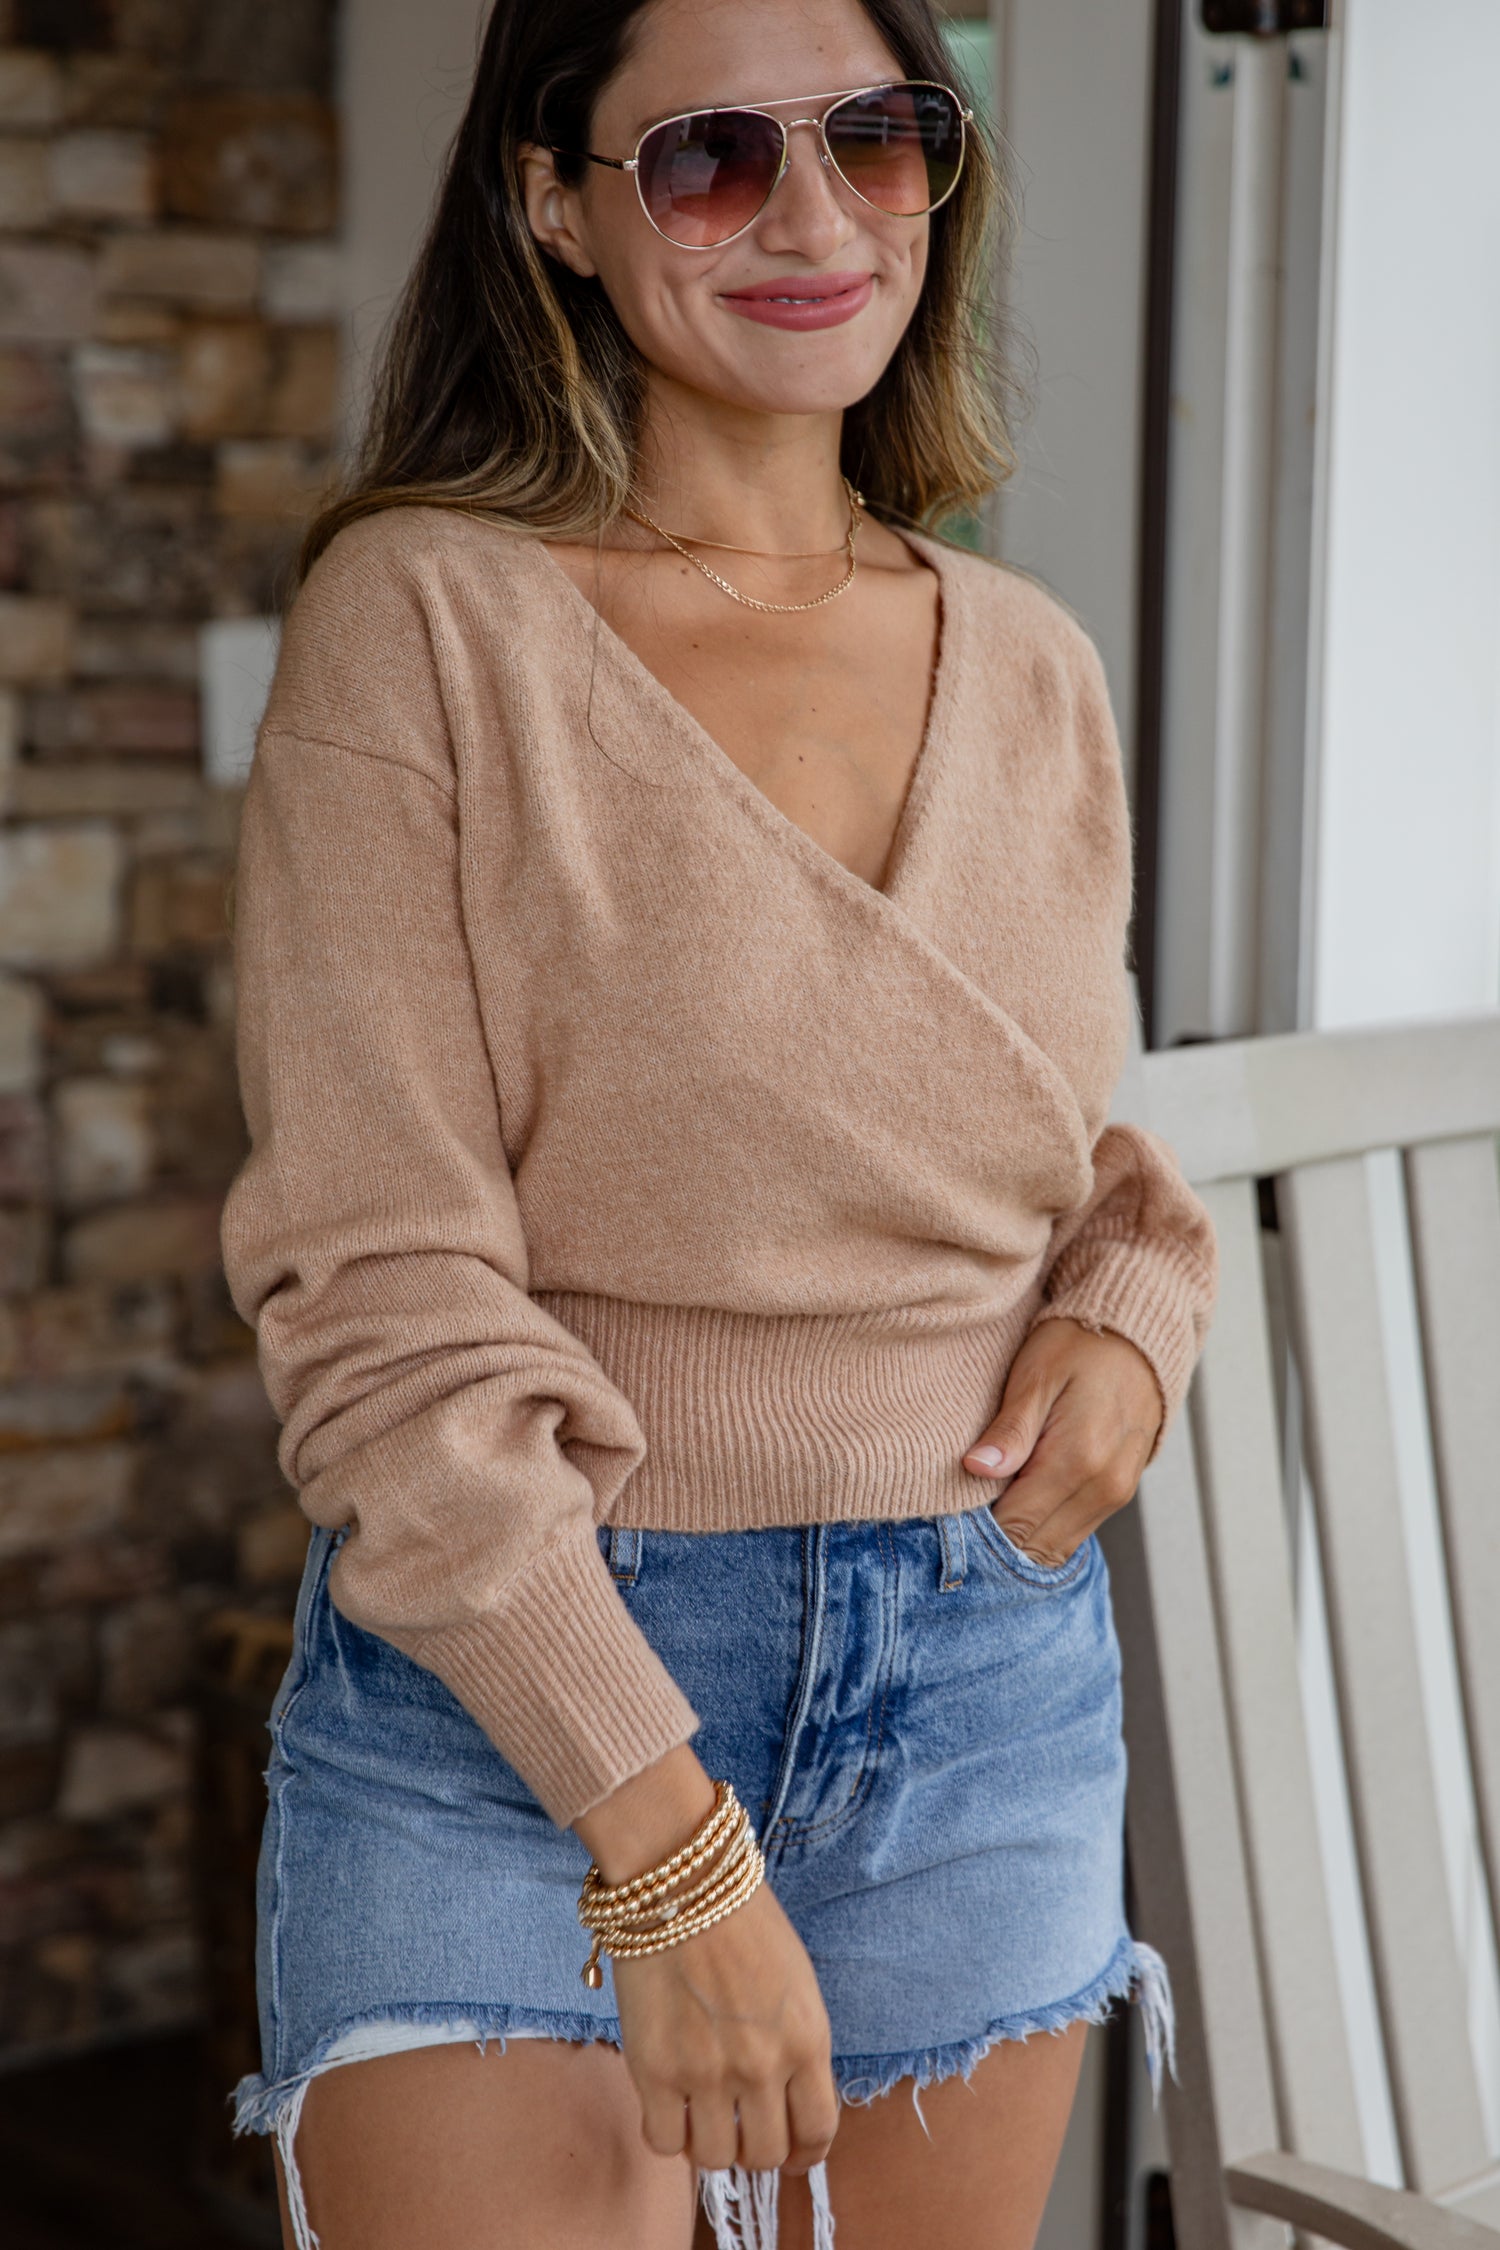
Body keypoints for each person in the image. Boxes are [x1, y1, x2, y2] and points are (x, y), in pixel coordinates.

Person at [218, 1, 1219, 2246]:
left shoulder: (1032, 657)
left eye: (878, 136)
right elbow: (376, 1281)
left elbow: (1077, 1155)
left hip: (985, 1676)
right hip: (524, 1679)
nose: (808, 214)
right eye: (704, 157)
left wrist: (1140, 1311)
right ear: (553, 203)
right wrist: (656, 1840)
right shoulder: (428, 626)